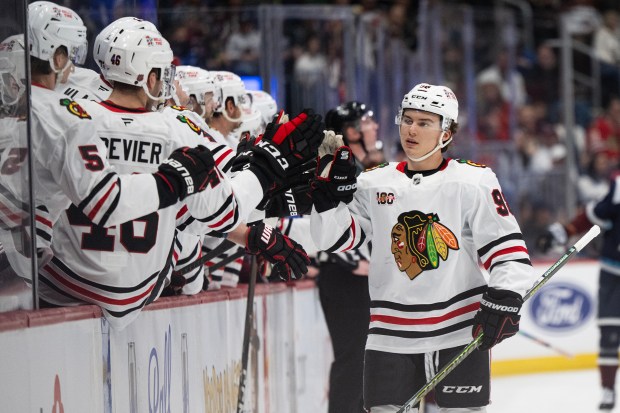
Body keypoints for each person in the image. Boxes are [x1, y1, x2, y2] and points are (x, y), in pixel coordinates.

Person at [40, 23, 318, 329]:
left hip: (60, 290)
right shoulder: (177, 130)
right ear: (150, 77)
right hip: (141, 299)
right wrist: (267, 166)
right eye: (162, 72)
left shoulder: (69, 116)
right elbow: (224, 212)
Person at [310, 83, 536, 412]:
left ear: (447, 133)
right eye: (407, 119)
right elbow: (331, 238)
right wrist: (326, 201)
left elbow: (509, 254)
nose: (411, 129)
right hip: (389, 336)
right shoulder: (373, 183)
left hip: (458, 332)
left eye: (424, 122)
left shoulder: (473, 182)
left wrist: (505, 296)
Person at [537, 175, 620, 412]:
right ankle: (608, 389)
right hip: (614, 273)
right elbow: (593, 215)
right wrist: (564, 231)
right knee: (610, 335)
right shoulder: (619, 187)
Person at [317, 102, 379, 413]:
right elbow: (323, 221)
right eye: (368, 122)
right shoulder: (341, 169)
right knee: (354, 358)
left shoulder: (360, 170)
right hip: (346, 279)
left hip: (357, 278)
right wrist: (352, 261)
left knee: (365, 359)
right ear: (352, 132)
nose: (375, 127)